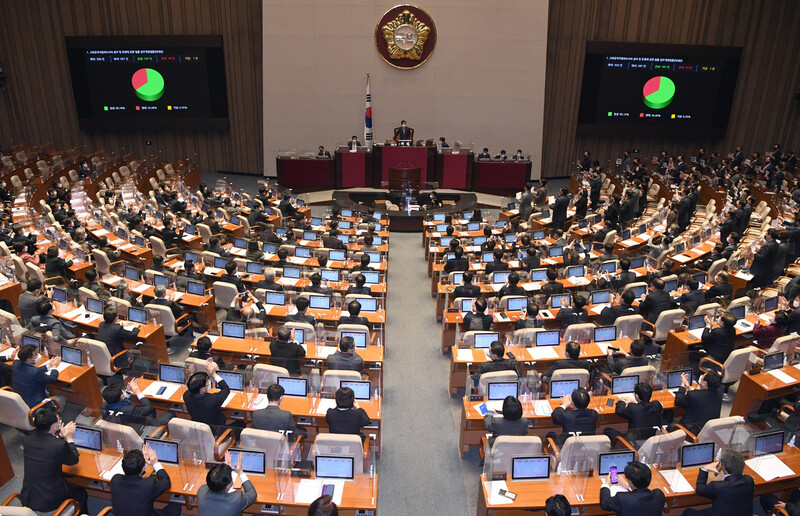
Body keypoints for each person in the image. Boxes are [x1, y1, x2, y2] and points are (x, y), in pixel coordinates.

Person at [21, 409, 87, 513]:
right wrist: (69, 439)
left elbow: (46, 448)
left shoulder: (27, 440)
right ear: (53, 426)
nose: (60, 421)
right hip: (50, 499)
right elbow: (73, 460)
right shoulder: (59, 445)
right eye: (58, 421)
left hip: (29, 495)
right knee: (81, 493)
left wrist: (60, 436)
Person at [111, 445, 180, 516]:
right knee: (176, 507)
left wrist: (144, 463)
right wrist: (155, 463)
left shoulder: (115, 480)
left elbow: (132, 472)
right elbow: (166, 482)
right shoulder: (148, 485)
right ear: (143, 468)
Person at [682, 449, 753, 516]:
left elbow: (700, 489)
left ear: (723, 466)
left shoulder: (717, 486)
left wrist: (705, 469)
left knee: (688, 512)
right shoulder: (749, 480)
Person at [599, 460, 665, 516]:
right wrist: (629, 486)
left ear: (630, 481)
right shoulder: (659, 494)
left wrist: (606, 485)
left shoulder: (622, 498)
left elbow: (605, 504)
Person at [183, 358, 230, 431]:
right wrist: (214, 374)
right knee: (241, 423)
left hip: (198, 426)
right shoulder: (212, 400)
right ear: (202, 389)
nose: (208, 383)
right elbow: (226, 389)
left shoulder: (186, 395)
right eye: (207, 382)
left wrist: (206, 370)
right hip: (215, 428)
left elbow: (192, 384)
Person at [12, 344, 65, 409]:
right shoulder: (35, 372)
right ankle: (55, 417)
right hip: (36, 404)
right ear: (28, 359)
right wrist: (54, 367)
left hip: (21, 402)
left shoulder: (16, 364)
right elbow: (52, 379)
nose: (38, 355)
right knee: (62, 398)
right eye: (36, 354)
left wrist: (48, 366)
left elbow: (31, 371)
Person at [102, 380, 173, 427]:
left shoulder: (103, 407)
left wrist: (127, 392)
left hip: (123, 426)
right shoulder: (130, 410)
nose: (124, 391)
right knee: (170, 414)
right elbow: (148, 407)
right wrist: (138, 392)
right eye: (123, 391)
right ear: (122, 396)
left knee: (152, 412)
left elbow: (118, 403)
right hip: (139, 428)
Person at [674, 370, 722, 435]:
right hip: (707, 431)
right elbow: (702, 395)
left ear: (705, 383)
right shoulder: (719, 392)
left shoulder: (693, 396)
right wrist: (689, 387)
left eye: (702, 379)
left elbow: (678, 401)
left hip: (690, 431)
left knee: (671, 422)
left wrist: (682, 385)